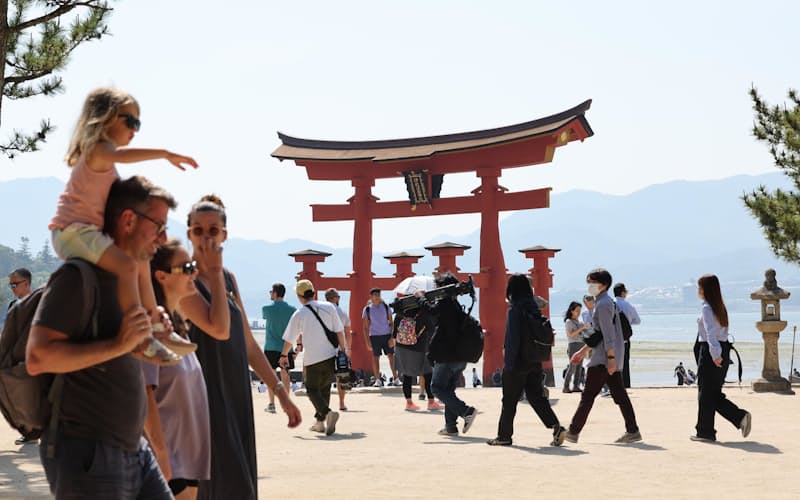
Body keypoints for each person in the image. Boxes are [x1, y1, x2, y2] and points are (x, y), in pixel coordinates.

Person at [26, 175, 177, 498]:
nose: (163, 238)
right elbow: (38, 358)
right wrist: (119, 343)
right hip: (89, 452)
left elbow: (127, 352)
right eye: (159, 226)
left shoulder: (126, 283)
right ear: (128, 220)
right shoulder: (78, 278)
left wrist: (151, 331)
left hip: (134, 448)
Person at [48, 87, 198, 366]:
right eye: (130, 121)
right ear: (104, 119)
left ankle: (156, 323)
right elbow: (124, 156)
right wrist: (165, 154)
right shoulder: (98, 151)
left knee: (139, 261)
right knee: (128, 266)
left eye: (138, 123)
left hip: (88, 231)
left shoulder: (103, 159)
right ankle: (141, 337)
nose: (135, 129)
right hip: (72, 231)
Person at [185, 195, 301, 499]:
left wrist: (281, 394)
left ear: (224, 234)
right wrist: (210, 271)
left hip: (235, 394)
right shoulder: (182, 281)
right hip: (201, 397)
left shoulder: (228, 279)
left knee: (240, 483)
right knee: (220, 484)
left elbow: (248, 345)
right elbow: (218, 329)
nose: (206, 237)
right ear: (189, 234)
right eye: (198, 230)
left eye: (213, 230)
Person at [145, 239, 221, 499]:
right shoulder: (153, 329)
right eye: (186, 267)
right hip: (166, 460)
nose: (194, 272)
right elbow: (145, 395)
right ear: (161, 276)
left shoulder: (177, 328)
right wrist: (161, 454)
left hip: (187, 460)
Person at [486, 274, 566, 447]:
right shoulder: (533, 307)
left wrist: (509, 364)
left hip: (517, 362)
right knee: (536, 396)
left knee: (509, 401)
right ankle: (556, 427)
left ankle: (504, 436)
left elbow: (513, 339)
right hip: (534, 360)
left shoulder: (515, 309)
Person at [565, 268, 642, 444]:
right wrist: (582, 351)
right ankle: (632, 430)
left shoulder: (604, 304)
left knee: (588, 395)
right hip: (606, 356)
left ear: (604, 285)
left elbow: (608, 335)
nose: (590, 286)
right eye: (589, 282)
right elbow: (597, 334)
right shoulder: (602, 303)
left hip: (603, 358)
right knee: (620, 395)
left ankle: (573, 431)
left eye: (593, 282)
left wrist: (611, 359)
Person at [281, 280, 346, 435]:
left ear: (299, 296)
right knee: (325, 388)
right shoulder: (330, 307)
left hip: (313, 358)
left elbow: (290, 338)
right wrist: (343, 351)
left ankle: (327, 413)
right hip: (331, 354)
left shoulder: (300, 313)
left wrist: (284, 355)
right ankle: (319, 423)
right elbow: (339, 331)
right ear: (313, 292)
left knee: (311, 389)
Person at [691, 274, 751, 443]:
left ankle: (705, 431)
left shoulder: (707, 308)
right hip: (722, 349)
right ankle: (738, 418)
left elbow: (710, 333)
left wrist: (715, 355)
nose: (697, 290)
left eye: (699, 287)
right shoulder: (719, 307)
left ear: (705, 289)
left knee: (705, 393)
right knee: (713, 393)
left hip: (712, 351)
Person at [428, 273, 478, 436]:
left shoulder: (444, 304)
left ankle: (466, 411)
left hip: (446, 356)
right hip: (460, 357)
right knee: (448, 390)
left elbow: (430, 312)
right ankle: (450, 426)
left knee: (436, 388)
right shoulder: (456, 306)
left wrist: (422, 299)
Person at [392, 292, 443, 411]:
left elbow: (395, 332)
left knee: (407, 374)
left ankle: (409, 403)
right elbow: (432, 330)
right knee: (427, 373)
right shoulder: (422, 313)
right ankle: (431, 401)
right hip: (419, 347)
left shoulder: (400, 313)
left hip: (401, 346)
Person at [262, 283, 297, 413]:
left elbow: (268, 319)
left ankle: (271, 404)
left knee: (271, 375)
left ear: (276, 293)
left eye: (271, 291)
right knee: (285, 375)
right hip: (286, 346)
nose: (270, 293)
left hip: (270, 346)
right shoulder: (292, 309)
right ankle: (287, 403)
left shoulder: (266, 308)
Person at [325, 287, 353, 411]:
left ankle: (324, 403)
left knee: (323, 377)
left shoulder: (322, 311)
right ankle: (341, 403)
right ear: (335, 298)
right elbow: (348, 333)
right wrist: (348, 349)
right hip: (339, 348)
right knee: (341, 377)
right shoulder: (341, 312)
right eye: (339, 296)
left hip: (324, 348)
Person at [362, 287, 396, 385]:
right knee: (375, 358)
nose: (377, 297)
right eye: (375, 295)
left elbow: (391, 323)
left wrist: (392, 337)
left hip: (386, 335)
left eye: (378, 295)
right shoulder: (367, 309)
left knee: (391, 357)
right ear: (371, 296)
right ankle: (377, 380)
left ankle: (396, 378)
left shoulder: (386, 307)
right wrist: (367, 342)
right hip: (374, 336)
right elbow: (365, 327)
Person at [613, 283, 641, 388]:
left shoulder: (610, 304)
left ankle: (611, 386)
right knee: (624, 363)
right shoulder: (628, 306)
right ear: (623, 293)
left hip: (611, 338)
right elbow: (637, 321)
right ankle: (625, 385)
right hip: (624, 338)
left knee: (611, 362)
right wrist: (627, 323)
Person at [563, 301, 588, 393]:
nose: (579, 312)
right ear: (572, 311)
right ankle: (566, 387)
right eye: (577, 310)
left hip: (581, 345)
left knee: (579, 367)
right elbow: (571, 334)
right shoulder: (569, 321)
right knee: (572, 366)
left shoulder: (579, 322)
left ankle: (576, 386)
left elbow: (584, 334)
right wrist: (582, 328)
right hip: (573, 345)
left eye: (579, 310)